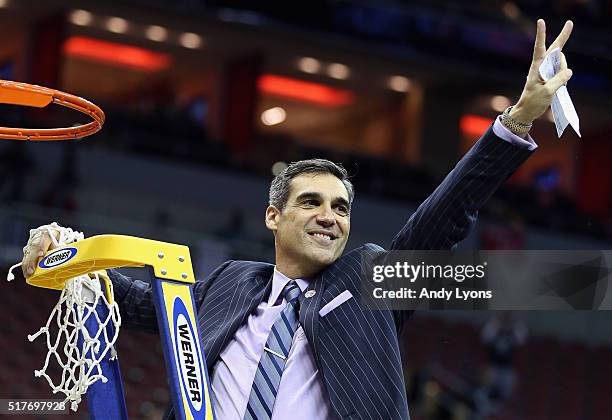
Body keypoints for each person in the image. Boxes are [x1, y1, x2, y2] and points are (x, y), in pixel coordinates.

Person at [20, 19, 574, 420]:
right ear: (273, 215)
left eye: (341, 208)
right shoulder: (230, 283)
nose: (329, 217)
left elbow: (442, 220)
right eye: (310, 202)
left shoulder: (367, 282)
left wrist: (518, 119)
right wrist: (66, 255)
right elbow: (140, 302)